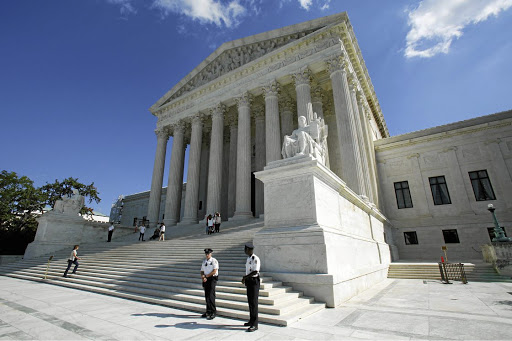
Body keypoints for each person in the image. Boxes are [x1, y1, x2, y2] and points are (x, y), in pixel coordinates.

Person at [242, 242, 260, 332]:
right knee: (250, 301)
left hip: (254, 281)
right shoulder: (248, 258)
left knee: (254, 302)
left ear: (249, 250)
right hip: (249, 281)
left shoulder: (255, 258)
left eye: (245, 249)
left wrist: (245, 277)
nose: (245, 251)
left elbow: (255, 271)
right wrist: (245, 278)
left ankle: (255, 324)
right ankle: (251, 320)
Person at [200, 248, 219, 320]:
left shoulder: (214, 261)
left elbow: (214, 271)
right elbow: (202, 270)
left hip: (212, 279)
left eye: (208, 254)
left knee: (211, 295)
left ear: (211, 254)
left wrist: (206, 276)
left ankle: (213, 311)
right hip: (206, 279)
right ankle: (208, 311)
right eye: (206, 254)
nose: (207, 255)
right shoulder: (204, 261)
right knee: (207, 295)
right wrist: (203, 276)